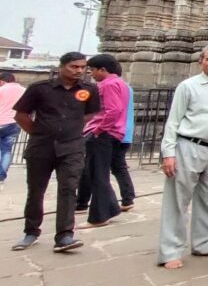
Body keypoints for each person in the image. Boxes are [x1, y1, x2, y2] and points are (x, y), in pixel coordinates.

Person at [156, 46, 208, 268]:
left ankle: (203, 244)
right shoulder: (188, 86)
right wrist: (168, 153)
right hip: (189, 146)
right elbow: (173, 121)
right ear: (201, 62)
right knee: (177, 200)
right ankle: (171, 251)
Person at [11, 52, 99, 252]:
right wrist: (41, 132)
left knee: (68, 189)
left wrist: (71, 128)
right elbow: (21, 115)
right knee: (36, 190)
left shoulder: (89, 90)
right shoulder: (40, 89)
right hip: (41, 147)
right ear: (62, 67)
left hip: (72, 148)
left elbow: (91, 114)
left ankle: (65, 235)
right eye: (74, 67)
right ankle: (31, 231)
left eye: (82, 67)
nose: (79, 71)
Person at [78, 54, 130, 227]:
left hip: (102, 133)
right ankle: (110, 207)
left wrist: (99, 130)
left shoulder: (107, 84)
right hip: (114, 133)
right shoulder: (120, 83)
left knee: (97, 174)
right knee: (98, 173)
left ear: (103, 69)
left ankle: (99, 217)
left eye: (92, 70)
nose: (91, 73)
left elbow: (113, 110)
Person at [109, 61, 136, 211]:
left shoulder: (110, 86)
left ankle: (83, 201)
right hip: (125, 132)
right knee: (119, 167)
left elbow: (112, 111)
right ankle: (128, 197)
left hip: (113, 133)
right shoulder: (127, 88)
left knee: (95, 169)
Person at [0, 71, 26, 189]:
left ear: (2, 80)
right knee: (7, 150)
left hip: (1, 121)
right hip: (15, 123)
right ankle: (1, 177)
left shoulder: (2, 89)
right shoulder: (24, 90)